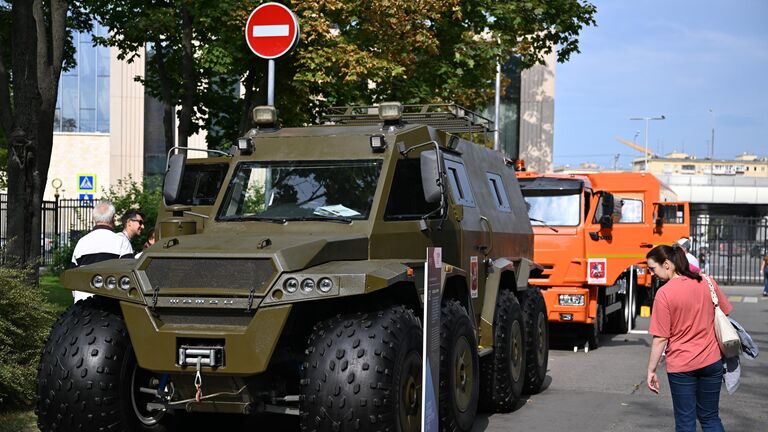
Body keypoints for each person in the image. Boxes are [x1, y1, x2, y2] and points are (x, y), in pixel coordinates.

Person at [646, 243, 732, 432]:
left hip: (682, 366)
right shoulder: (707, 282)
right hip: (712, 361)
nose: (652, 274)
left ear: (667, 264)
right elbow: (725, 313)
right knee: (710, 417)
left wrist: (651, 370)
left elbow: (660, 338)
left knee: (685, 421)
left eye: (653, 268)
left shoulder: (664, 294)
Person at [71, 200, 135, 301]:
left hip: (82, 304)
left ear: (94, 219)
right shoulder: (121, 242)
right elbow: (129, 276)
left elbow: (73, 278)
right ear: (113, 218)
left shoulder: (81, 242)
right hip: (111, 304)